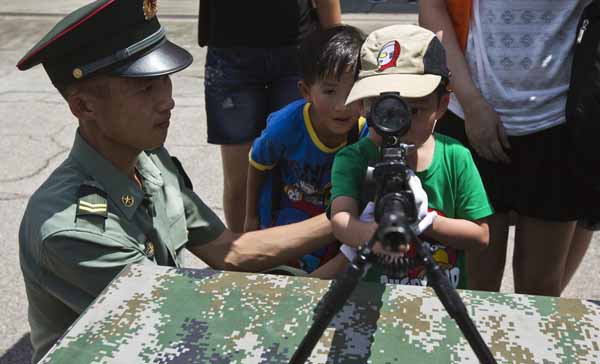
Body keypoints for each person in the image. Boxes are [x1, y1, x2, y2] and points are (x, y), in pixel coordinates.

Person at [16, 1, 335, 362]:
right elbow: (182, 317)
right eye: (144, 88)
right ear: (84, 107)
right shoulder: (73, 230)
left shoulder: (148, 160)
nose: (167, 100)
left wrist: (346, 218)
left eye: (164, 80)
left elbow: (229, 251)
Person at [420, 0, 592, 296]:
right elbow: (433, 7)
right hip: (469, 117)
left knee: (540, 294)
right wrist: (472, 103)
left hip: (557, 125)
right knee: (470, 288)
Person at [312, 25, 493, 289]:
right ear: (363, 105)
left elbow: (481, 235)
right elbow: (341, 220)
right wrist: (375, 235)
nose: (399, 124)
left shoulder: (456, 157)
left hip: (437, 298)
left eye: (415, 110)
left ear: (442, 105)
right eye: (383, 110)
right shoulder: (353, 159)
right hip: (369, 294)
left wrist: (427, 221)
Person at [200, 0, 342, 232]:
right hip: (229, 51)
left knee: (304, 176)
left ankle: (300, 259)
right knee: (240, 181)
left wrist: (335, 40)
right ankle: (242, 259)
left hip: (297, 48)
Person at [244, 25, 367, 274]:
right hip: (285, 220)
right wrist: (251, 218)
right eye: (330, 91)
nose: (342, 106)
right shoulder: (285, 126)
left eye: (353, 91)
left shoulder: (366, 132)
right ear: (306, 91)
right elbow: (257, 164)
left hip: (334, 227)